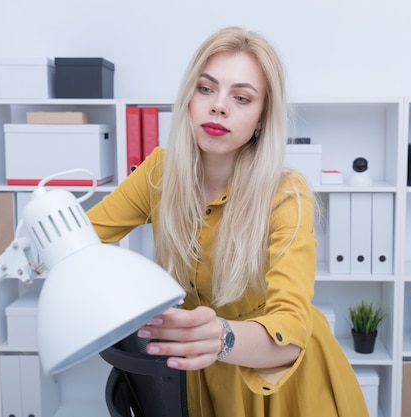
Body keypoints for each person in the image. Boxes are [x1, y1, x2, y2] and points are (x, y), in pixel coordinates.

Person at [87, 26, 369, 417]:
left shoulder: (286, 192)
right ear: (188, 98)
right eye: (206, 89)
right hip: (193, 376)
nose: (219, 106)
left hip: (281, 382)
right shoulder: (158, 172)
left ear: (261, 118)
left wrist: (222, 337)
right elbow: (82, 242)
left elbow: (291, 330)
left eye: (241, 97)